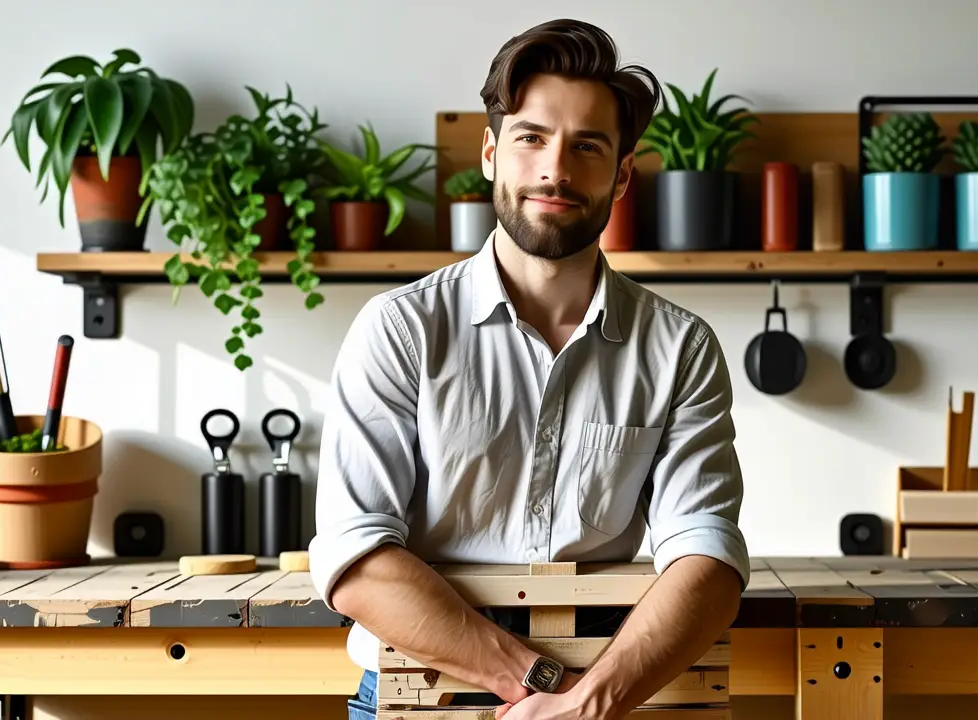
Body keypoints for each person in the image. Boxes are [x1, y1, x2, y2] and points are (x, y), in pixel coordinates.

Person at [309, 17, 751, 720]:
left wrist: (589, 704)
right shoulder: (399, 329)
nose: (556, 169)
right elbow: (355, 556)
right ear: (491, 153)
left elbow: (708, 558)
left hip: (612, 700)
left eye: (588, 146)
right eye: (531, 138)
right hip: (418, 697)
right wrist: (543, 687)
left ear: (622, 175)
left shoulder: (680, 348)